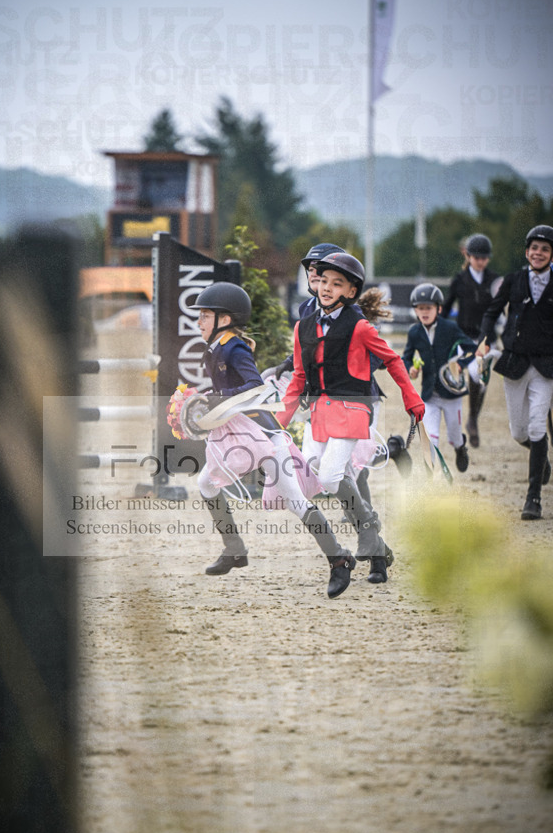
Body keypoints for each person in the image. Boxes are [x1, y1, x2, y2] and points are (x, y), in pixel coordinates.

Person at [194, 281, 357, 599]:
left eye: (204, 316)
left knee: (296, 502)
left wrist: (218, 396)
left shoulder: (234, 348)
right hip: (236, 432)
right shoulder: (214, 350)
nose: (198, 322)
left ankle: (338, 559)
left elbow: (256, 386)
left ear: (224, 320)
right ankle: (235, 548)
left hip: (263, 435)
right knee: (206, 484)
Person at [275, 253, 426, 591]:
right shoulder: (303, 326)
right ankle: (376, 544)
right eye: (323, 281)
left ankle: (368, 534)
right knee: (320, 472)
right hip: (319, 412)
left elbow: (391, 359)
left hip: (352, 409)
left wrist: (410, 397)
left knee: (330, 476)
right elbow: (299, 377)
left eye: (336, 283)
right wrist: (279, 420)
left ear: (351, 291)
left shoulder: (359, 327)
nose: (326, 288)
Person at [477, 224, 553, 520]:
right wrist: (485, 338)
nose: (538, 253)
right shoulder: (514, 280)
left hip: (545, 367)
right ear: (527, 252)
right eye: (534, 248)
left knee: (537, 427)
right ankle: (541, 457)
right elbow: (492, 312)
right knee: (519, 431)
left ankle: (533, 497)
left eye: (545, 249)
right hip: (514, 363)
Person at [403, 283, 478, 472]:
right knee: (430, 436)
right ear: (415, 310)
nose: (424, 312)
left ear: (439, 308)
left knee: (454, 434)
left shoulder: (450, 328)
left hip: (452, 393)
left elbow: (471, 348)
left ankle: (461, 448)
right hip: (429, 394)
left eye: (428, 308)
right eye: (420, 308)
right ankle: (429, 475)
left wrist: (460, 365)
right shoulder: (414, 332)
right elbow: (406, 357)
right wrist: (410, 367)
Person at [441, 233, 500, 447]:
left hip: (486, 338)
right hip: (464, 336)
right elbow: (447, 306)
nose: (480, 261)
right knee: (470, 374)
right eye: (477, 257)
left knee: (481, 379)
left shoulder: (494, 280)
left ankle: (473, 417)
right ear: (469, 256)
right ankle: (466, 421)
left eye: (484, 258)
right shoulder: (459, 280)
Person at [275, 242, 345, 379]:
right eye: (311, 269)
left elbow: (373, 356)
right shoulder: (306, 308)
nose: (313, 274)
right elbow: (306, 347)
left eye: (319, 269)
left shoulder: (351, 311)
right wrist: (288, 363)